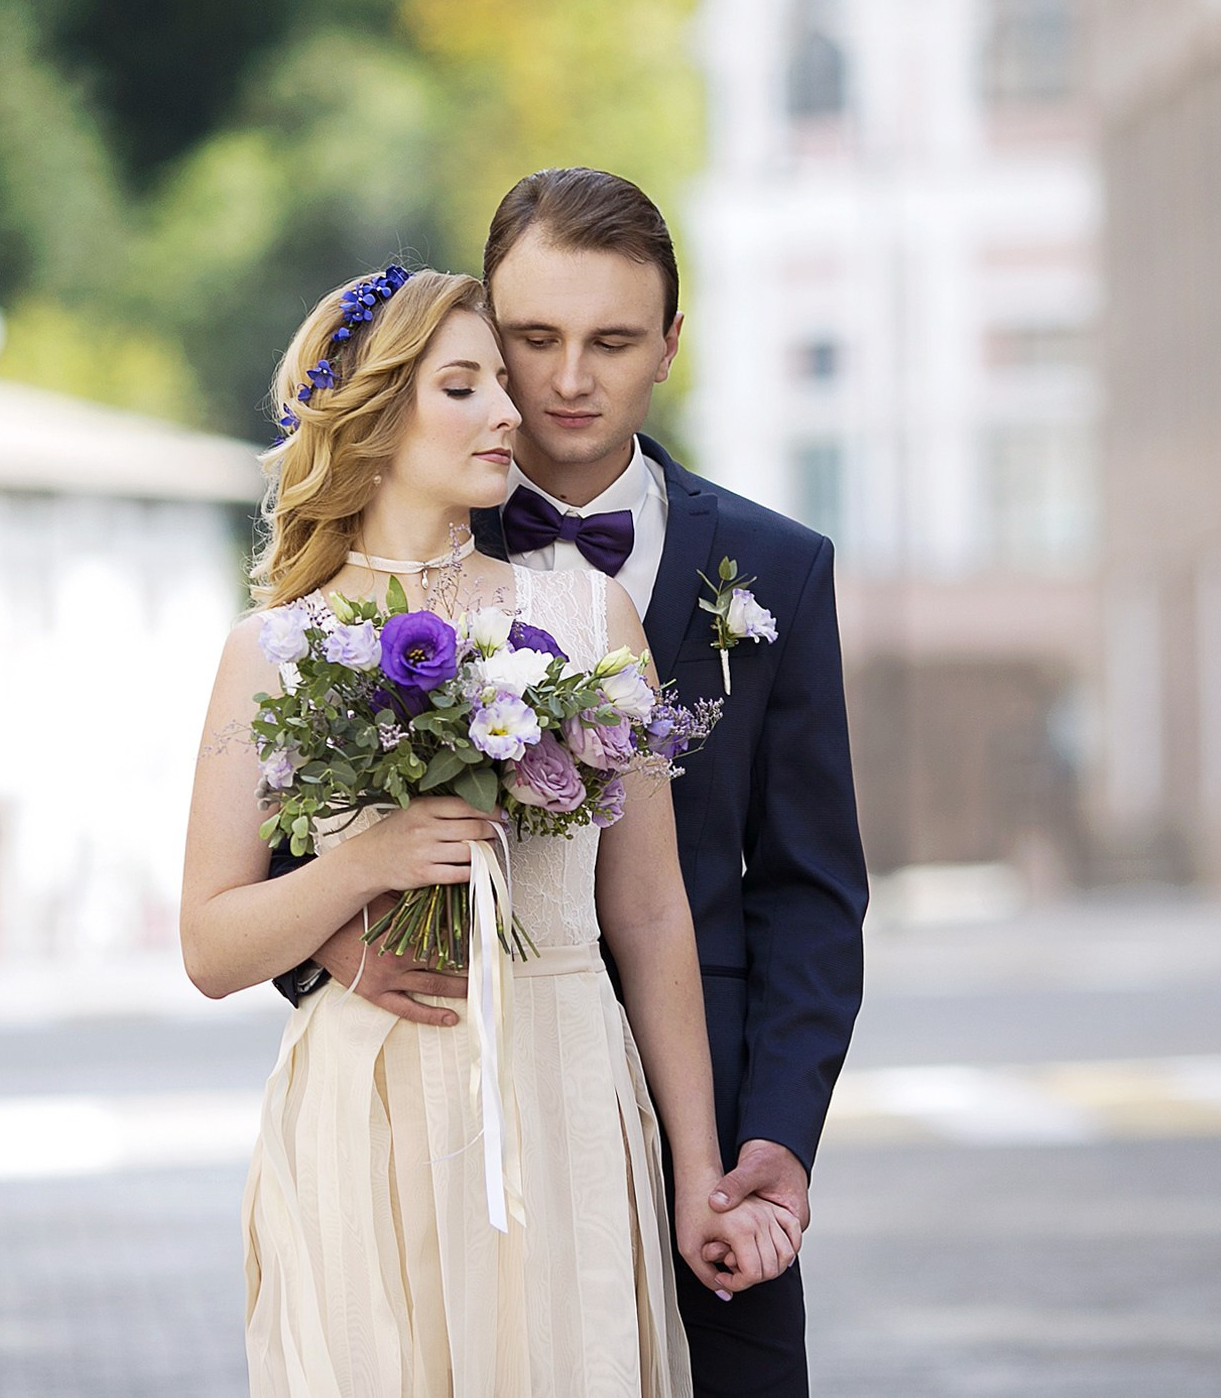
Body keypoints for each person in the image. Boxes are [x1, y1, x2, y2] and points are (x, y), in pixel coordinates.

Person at [270, 168, 868, 1397]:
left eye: (612, 341)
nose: (565, 381)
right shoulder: (405, 554)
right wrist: (344, 955)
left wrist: (771, 1142)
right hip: (462, 1110)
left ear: (670, 348)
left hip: (710, 1126)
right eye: (531, 339)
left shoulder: (781, 569)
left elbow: (809, 888)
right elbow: (283, 849)